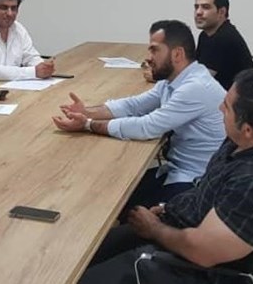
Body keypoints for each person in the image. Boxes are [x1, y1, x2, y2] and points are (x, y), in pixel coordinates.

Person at [58, 69, 253, 284]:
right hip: (185, 226)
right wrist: (166, 208)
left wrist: (155, 229)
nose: (219, 108)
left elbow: (202, 252)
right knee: (81, 258)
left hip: (203, 275)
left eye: (226, 107)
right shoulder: (252, 141)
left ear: (248, 129)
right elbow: (208, 189)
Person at [52, 20, 225, 209]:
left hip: (197, 181)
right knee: (113, 192)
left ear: (177, 54)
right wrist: (88, 112)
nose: (148, 58)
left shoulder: (195, 87)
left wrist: (88, 124)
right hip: (176, 168)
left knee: (113, 203)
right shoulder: (173, 80)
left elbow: (146, 127)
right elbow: (133, 106)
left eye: (154, 50)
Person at [195, 0, 253, 90]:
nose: (198, 12)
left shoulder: (224, 38)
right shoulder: (205, 35)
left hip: (237, 98)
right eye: (196, 7)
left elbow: (200, 82)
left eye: (205, 7)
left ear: (221, 12)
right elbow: (194, 71)